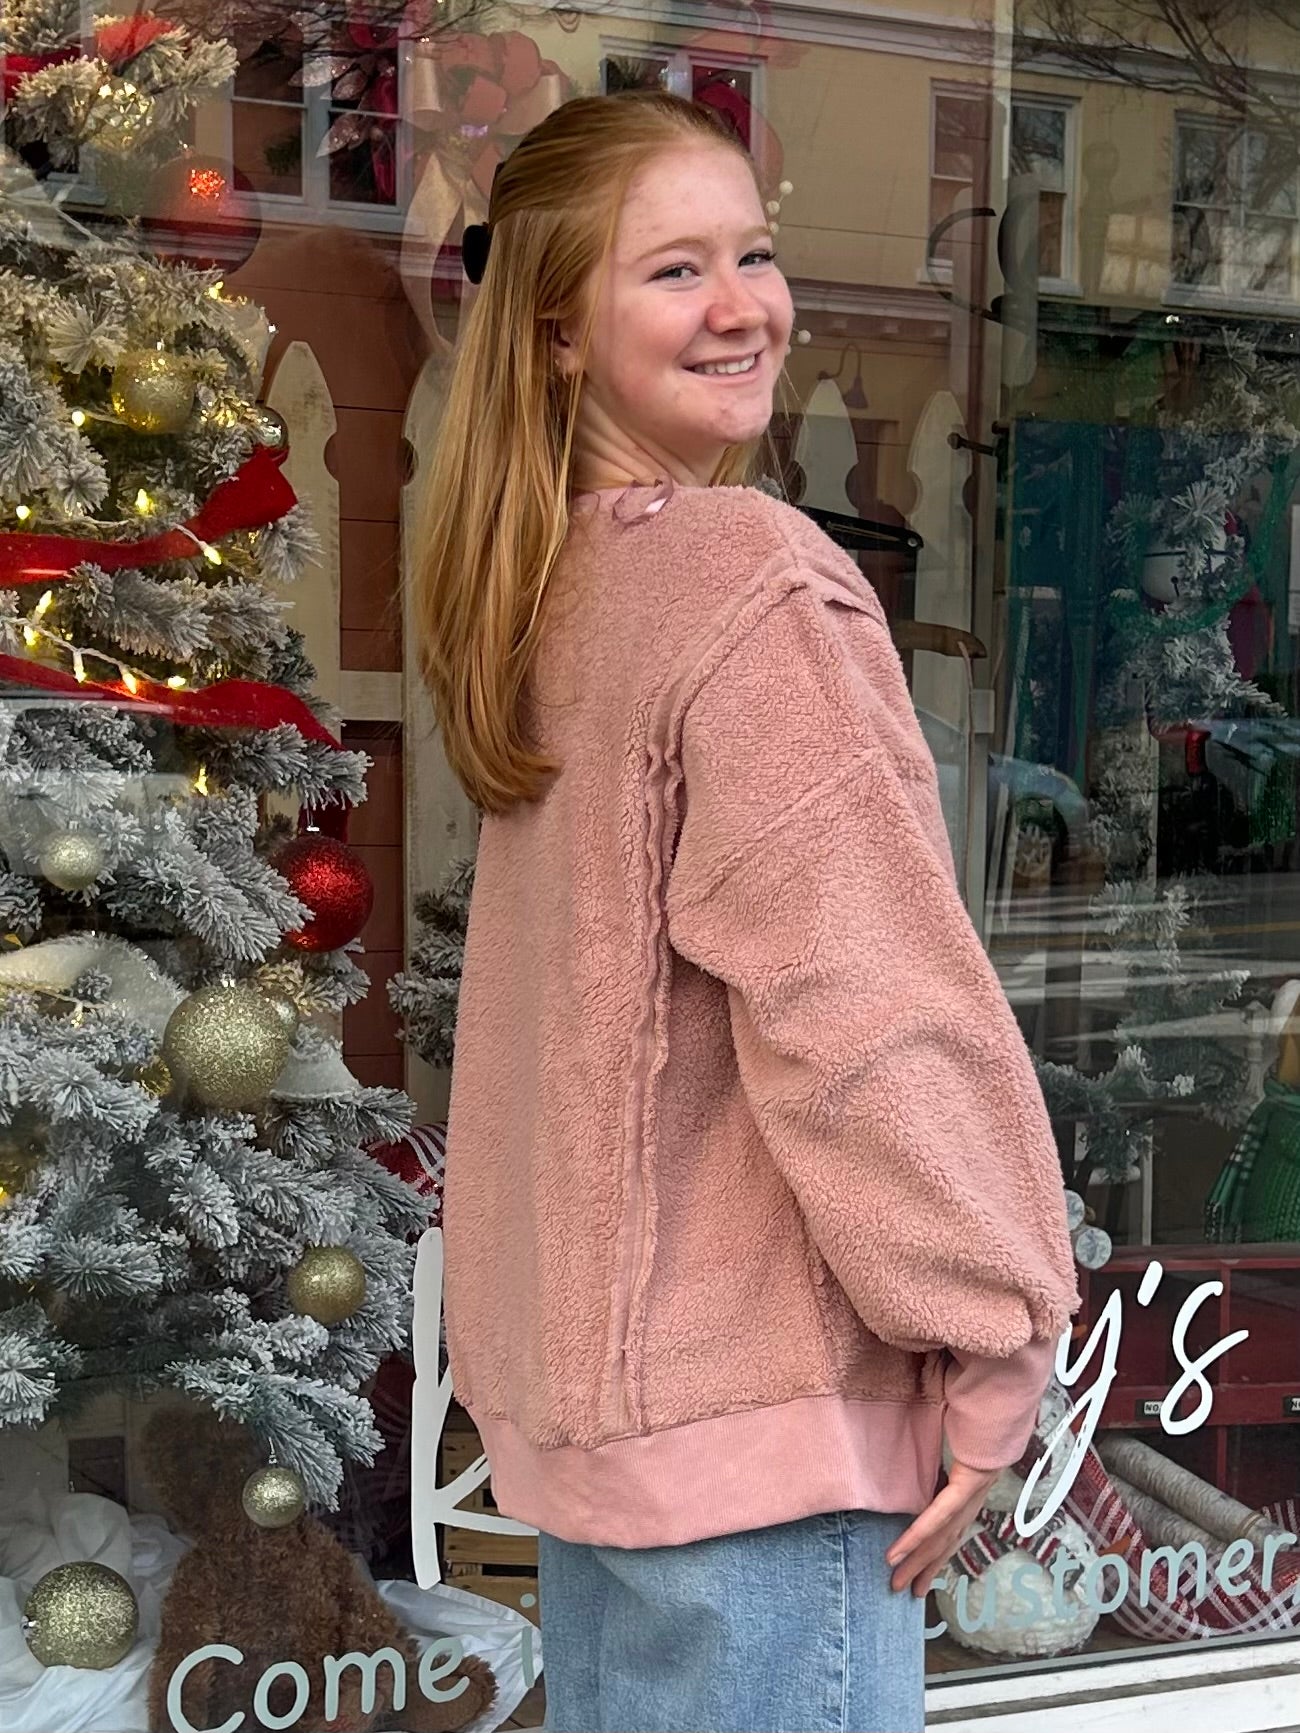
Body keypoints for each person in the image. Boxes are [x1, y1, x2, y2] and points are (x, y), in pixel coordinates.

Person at [413, 91, 1080, 1733]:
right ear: (558, 332)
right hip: (766, 1440)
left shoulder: (555, 589)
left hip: (609, 1435)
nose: (745, 307)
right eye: (676, 270)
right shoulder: (744, 579)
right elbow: (860, 1002)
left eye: (757, 256)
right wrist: (995, 1331)